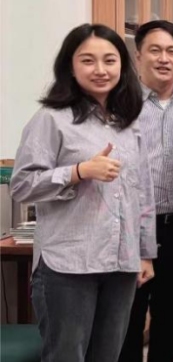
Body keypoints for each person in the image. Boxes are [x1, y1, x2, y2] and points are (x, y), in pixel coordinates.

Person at [12, 23, 155, 362]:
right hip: (68, 265)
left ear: (123, 66)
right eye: (88, 60)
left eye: (110, 60)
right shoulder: (52, 119)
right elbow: (21, 185)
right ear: (70, 66)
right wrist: (78, 172)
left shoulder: (128, 122)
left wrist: (145, 252)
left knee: (108, 356)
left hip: (121, 263)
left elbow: (142, 192)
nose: (100, 69)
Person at [119, 20, 173, 362]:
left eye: (172, 51)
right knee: (127, 319)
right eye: (155, 50)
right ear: (138, 56)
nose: (164, 59)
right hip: (129, 226)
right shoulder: (120, 108)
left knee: (170, 319)